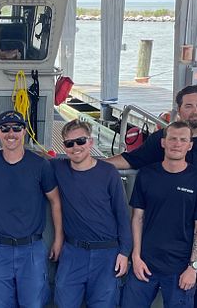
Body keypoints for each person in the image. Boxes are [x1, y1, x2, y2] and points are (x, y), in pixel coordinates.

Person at [106, 85, 197, 308]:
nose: (195, 110)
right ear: (179, 110)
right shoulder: (164, 137)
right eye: (188, 106)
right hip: (171, 228)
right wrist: (94, 165)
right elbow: (133, 159)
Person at [0, 110, 63, 308]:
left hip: (31, 250)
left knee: (32, 304)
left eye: (16, 128)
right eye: (5, 129)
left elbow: (55, 201)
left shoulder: (41, 165)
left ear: (24, 132)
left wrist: (58, 240)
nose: (11, 133)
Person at [121, 121, 197, 308]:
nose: (177, 144)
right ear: (163, 142)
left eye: (182, 140)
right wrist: (136, 258)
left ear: (190, 145)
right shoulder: (146, 175)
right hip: (145, 263)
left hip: (180, 268)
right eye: (172, 139)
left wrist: (192, 267)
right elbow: (137, 218)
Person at [51, 119, 132, 308]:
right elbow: (34, 159)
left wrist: (124, 252)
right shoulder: (59, 168)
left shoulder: (109, 172)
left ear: (91, 142)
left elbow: (122, 214)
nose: (75, 147)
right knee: (64, 302)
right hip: (73, 252)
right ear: (64, 146)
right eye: (69, 144)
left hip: (107, 253)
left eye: (80, 141)